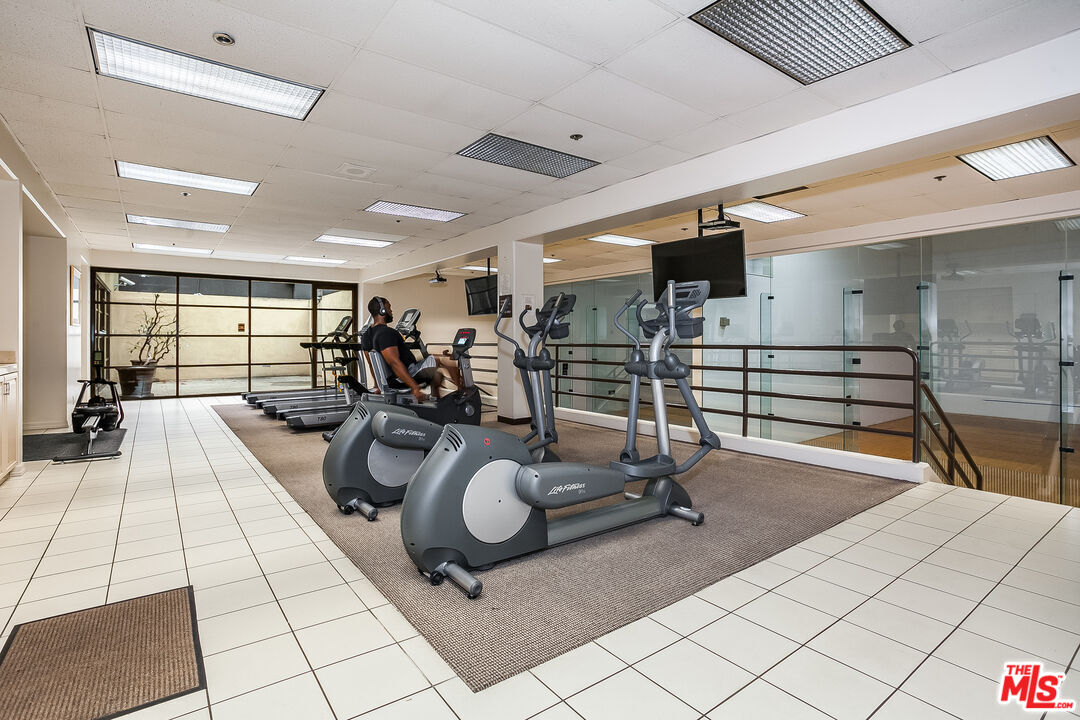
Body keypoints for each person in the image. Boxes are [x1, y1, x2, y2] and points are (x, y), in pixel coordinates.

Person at [365, 296, 462, 401]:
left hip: (391, 379)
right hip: (405, 376)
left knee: (437, 375)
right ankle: (464, 392)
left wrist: (378, 385)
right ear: (382, 311)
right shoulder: (387, 333)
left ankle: (437, 403)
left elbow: (372, 364)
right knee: (443, 358)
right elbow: (394, 363)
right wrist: (414, 388)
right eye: (389, 308)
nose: (391, 311)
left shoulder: (367, 335)